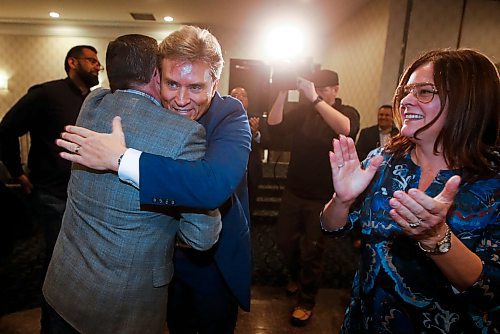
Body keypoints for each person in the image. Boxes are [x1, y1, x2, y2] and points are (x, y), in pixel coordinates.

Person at [55, 25, 252, 333]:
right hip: (152, 264)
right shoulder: (149, 106)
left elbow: (212, 185)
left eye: (196, 87)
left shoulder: (230, 114)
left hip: (212, 263)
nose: (182, 99)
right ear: (157, 76)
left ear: (215, 82)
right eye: (172, 84)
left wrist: (120, 160)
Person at [321, 48, 499, 333]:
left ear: (469, 102)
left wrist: (436, 238)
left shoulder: (492, 180)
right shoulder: (383, 160)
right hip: (364, 322)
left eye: (425, 92)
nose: (405, 101)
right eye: (406, 91)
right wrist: (341, 201)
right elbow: (332, 229)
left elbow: (491, 288)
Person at [0, 44, 101, 328]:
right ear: (72, 62)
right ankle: (53, 325)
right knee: (59, 267)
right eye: (91, 61)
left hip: (85, 198)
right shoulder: (45, 94)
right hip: (52, 195)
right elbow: (6, 130)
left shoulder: (94, 101)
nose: (97, 67)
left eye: (98, 63)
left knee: (82, 267)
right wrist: (18, 172)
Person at [267, 69, 360, 326]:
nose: (317, 92)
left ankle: (306, 301)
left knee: (313, 250)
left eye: (323, 89)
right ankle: (296, 275)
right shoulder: (303, 113)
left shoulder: (347, 112)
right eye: (315, 88)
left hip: (323, 197)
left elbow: (347, 129)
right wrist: (283, 91)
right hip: (294, 191)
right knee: (284, 240)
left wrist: (315, 100)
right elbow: (274, 125)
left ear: (336, 90)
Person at [230, 86, 265, 214]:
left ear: (248, 100)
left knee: (249, 208)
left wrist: (255, 134)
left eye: (243, 95)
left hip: (251, 170)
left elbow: (267, 142)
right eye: (234, 96)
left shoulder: (256, 118)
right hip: (229, 169)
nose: (239, 98)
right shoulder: (223, 118)